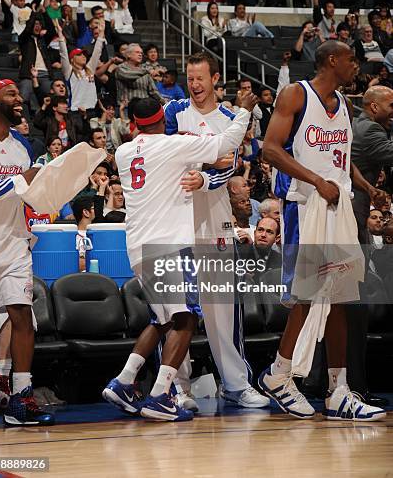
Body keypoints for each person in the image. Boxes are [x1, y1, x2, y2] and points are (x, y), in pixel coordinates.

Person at [102, 93, 257, 421]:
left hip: (137, 247)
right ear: (162, 118)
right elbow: (227, 143)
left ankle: (124, 381)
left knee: (162, 321)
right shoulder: (173, 145)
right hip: (170, 245)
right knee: (187, 319)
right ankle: (161, 394)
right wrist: (244, 109)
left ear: (132, 125)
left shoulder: (124, 152)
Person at [257, 40, 386, 421]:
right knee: (307, 296)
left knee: (342, 297)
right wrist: (316, 181)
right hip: (305, 206)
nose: (355, 66)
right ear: (332, 60)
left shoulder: (344, 104)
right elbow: (270, 149)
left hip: (339, 205)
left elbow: (341, 162)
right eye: (351, 60)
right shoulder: (297, 94)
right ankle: (278, 375)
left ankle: (338, 390)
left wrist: (367, 188)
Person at [164, 52, 269, 410]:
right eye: (189, 78)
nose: (194, 85)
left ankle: (237, 384)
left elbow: (231, 167)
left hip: (216, 219)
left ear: (214, 79)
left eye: (200, 79)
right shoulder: (173, 111)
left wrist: (205, 175)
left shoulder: (228, 118)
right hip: (176, 219)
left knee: (223, 307)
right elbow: (161, 154)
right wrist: (208, 161)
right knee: (177, 307)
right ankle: (177, 388)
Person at [0, 78, 54, 425]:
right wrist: (22, 179)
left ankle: (21, 397)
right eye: (10, 94)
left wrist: (50, 183)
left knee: (22, 317)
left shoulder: (21, 147)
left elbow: (26, 193)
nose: (19, 100)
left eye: (18, 94)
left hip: (13, 242)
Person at [349, 86, 393, 405]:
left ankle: (338, 382)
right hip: (353, 223)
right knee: (355, 308)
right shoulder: (371, 129)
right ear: (374, 107)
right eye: (392, 103)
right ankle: (355, 386)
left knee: (347, 306)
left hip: (353, 218)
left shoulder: (359, 126)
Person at [114, 43, 163, 107]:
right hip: (127, 108)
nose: (140, 55)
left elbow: (153, 91)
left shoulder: (145, 70)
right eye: (137, 52)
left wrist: (164, 101)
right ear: (129, 55)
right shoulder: (120, 68)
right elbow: (128, 75)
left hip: (144, 107)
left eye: (141, 53)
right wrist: (147, 71)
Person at [72, 196, 95, 271]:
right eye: (93, 208)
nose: (96, 210)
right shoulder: (75, 237)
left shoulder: (97, 233)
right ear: (86, 212)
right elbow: (80, 264)